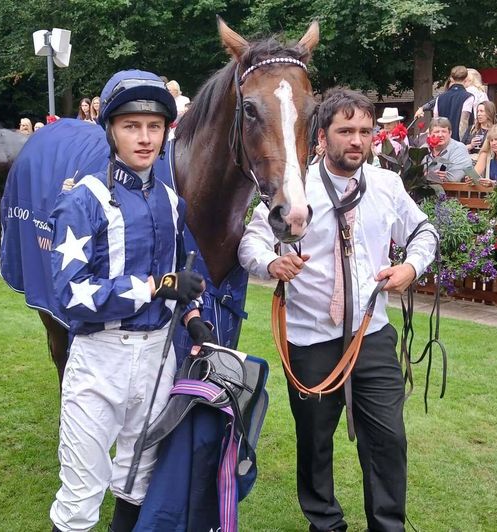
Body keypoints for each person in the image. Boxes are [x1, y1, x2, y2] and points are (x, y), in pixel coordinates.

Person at [239, 88, 438, 532]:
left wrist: (411, 265)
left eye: (365, 132)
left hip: (373, 336)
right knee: (314, 443)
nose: (357, 140)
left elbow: (424, 230)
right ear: (322, 135)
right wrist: (272, 262)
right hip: (311, 339)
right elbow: (251, 241)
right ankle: (324, 524)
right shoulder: (297, 188)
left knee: (388, 440)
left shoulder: (386, 185)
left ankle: (388, 527)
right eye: (345, 130)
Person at [47, 69, 210, 532]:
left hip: (158, 354)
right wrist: (155, 287)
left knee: (138, 477)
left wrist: (193, 315)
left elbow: (182, 275)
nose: (144, 138)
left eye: (154, 126)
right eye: (131, 126)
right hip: (100, 358)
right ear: (111, 130)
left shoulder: (171, 201)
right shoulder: (84, 200)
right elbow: (72, 295)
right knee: (82, 489)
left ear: (166, 131)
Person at [415, 65, 475, 141]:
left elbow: (435, 120)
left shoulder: (440, 97)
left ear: (451, 79)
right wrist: (462, 143)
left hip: (440, 140)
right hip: (457, 141)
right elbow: (464, 121)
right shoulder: (468, 97)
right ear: (466, 79)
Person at [424, 117, 473, 182]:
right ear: (429, 134)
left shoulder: (459, 148)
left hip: (454, 190)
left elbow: (455, 177)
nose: (440, 135)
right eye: (436, 132)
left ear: (450, 133)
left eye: (444, 131)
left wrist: (429, 176)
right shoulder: (423, 149)